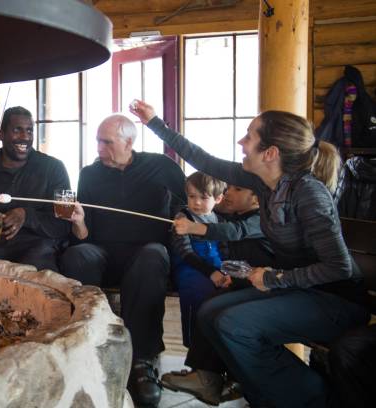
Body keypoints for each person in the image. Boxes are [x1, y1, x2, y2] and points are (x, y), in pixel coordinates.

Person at [131, 100, 370, 407]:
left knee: (234, 325)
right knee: (210, 312)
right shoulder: (263, 181)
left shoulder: (309, 193)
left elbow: (338, 268)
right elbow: (203, 160)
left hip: (335, 299)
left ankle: (315, 398)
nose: (241, 142)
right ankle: (269, 393)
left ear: (270, 153)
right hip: (301, 290)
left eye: (249, 137)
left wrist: (274, 277)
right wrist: (155, 123)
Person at [59, 114, 186, 408]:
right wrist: (78, 222)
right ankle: (87, 347)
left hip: (145, 253)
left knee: (153, 255)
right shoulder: (89, 174)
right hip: (102, 252)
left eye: (107, 142)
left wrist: (183, 219)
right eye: (98, 141)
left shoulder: (162, 167)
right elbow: (83, 234)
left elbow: (186, 208)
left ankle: (143, 359)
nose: (99, 148)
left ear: (129, 142)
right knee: (77, 255)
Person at [162, 184, 274, 406]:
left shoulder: (261, 220)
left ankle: (228, 377)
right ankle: (209, 377)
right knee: (211, 304)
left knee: (217, 307)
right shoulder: (232, 215)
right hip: (247, 281)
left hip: (270, 286)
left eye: (238, 189)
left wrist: (195, 228)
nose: (229, 193)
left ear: (257, 199)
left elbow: (233, 233)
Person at [0, 106, 71, 271]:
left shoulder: (56, 168)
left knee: (35, 266)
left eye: (29, 131)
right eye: (17, 130)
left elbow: (65, 224)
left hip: (37, 249)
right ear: (1, 134)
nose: (25, 137)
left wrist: (26, 215)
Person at [170, 172, 227, 349]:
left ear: (218, 199)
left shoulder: (220, 220)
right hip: (189, 267)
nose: (196, 202)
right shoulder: (182, 218)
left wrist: (224, 271)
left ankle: (219, 348)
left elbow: (225, 250)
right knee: (197, 290)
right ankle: (194, 346)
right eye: (192, 196)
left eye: (203, 197)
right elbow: (185, 252)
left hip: (217, 267)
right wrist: (211, 273)